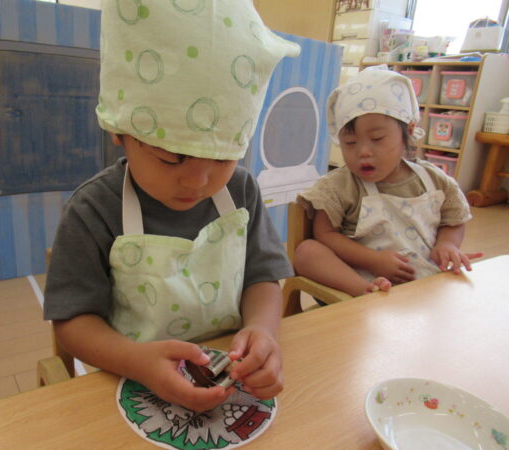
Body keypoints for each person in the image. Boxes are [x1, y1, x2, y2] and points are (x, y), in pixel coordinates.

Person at [44, 1, 300, 412]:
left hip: (229, 377)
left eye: (221, 157)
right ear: (119, 132)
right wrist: (136, 361)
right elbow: (73, 322)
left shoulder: (241, 191)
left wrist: (262, 330)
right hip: (126, 379)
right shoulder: (93, 209)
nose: (197, 181)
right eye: (171, 158)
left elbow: (262, 278)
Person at [294, 66, 481, 297]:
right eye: (350, 143)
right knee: (306, 251)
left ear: (409, 131)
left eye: (377, 138)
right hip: (361, 277)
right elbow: (324, 234)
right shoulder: (339, 186)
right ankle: (366, 293)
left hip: (423, 281)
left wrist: (447, 244)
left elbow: (454, 220)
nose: (363, 151)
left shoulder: (435, 180)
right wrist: (373, 261)